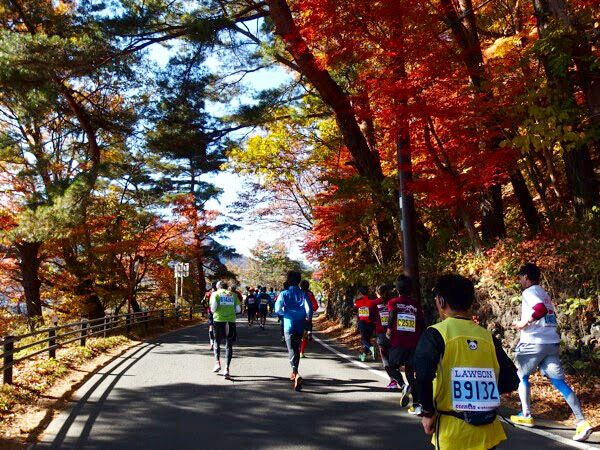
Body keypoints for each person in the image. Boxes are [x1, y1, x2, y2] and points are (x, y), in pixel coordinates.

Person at [414, 274, 519, 450]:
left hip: (453, 430)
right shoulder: (488, 337)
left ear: (441, 301)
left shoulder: (436, 334)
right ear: (470, 302)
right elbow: (511, 380)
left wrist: (427, 412)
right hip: (488, 430)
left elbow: (423, 376)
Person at [509, 263, 593, 442]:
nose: (519, 280)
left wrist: (524, 323)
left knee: (521, 376)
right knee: (559, 382)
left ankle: (526, 414)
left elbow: (539, 310)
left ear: (526, 277)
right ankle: (582, 422)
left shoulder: (529, 292)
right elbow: (545, 310)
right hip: (551, 342)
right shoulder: (543, 293)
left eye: (520, 277)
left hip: (533, 343)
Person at [387, 275, 424, 408]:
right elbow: (421, 322)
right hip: (414, 343)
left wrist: (389, 329)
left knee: (391, 366)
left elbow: (391, 316)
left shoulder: (393, 302)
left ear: (397, 289)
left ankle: (403, 386)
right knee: (410, 372)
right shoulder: (416, 304)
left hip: (398, 342)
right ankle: (416, 403)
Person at [275, 271, 313, 391]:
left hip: (289, 324)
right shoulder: (303, 293)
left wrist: (285, 313)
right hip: (300, 324)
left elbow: (277, 309)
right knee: (296, 348)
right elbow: (310, 308)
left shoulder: (284, 293)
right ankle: (294, 372)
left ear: (289, 280)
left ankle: (296, 373)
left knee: (292, 349)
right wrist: (308, 319)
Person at [210, 280, 242, 379]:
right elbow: (238, 310)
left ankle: (217, 363)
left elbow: (213, 309)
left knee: (217, 342)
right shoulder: (233, 295)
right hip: (231, 321)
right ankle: (227, 369)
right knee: (229, 345)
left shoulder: (215, 294)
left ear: (218, 286)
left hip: (219, 320)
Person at [372, 284, 395, 389]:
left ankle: (393, 380)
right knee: (392, 356)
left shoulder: (375, 303)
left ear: (377, 293)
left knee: (385, 358)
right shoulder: (393, 302)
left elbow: (371, 317)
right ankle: (397, 377)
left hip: (381, 333)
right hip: (394, 333)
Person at [355, 286, 376, 361]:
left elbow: (354, 309)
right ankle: (363, 356)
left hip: (362, 323)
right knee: (367, 339)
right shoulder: (372, 301)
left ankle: (371, 348)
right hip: (371, 323)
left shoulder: (358, 302)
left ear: (360, 293)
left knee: (364, 340)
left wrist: (357, 298)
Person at [299, 279, 319, 358]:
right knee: (304, 336)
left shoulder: (297, 293)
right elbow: (316, 306)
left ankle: (295, 350)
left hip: (296, 316)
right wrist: (311, 310)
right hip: (307, 317)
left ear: (300, 286)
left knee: (295, 334)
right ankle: (302, 352)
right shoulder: (310, 294)